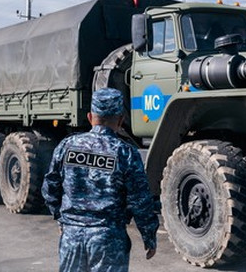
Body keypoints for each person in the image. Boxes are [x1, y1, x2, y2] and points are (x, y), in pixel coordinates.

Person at [42, 87, 159, 272]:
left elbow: (50, 188)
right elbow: (140, 200)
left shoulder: (67, 146)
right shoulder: (125, 152)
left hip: (71, 237)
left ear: (90, 117)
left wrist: (61, 218)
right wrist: (149, 236)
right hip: (108, 240)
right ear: (121, 120)